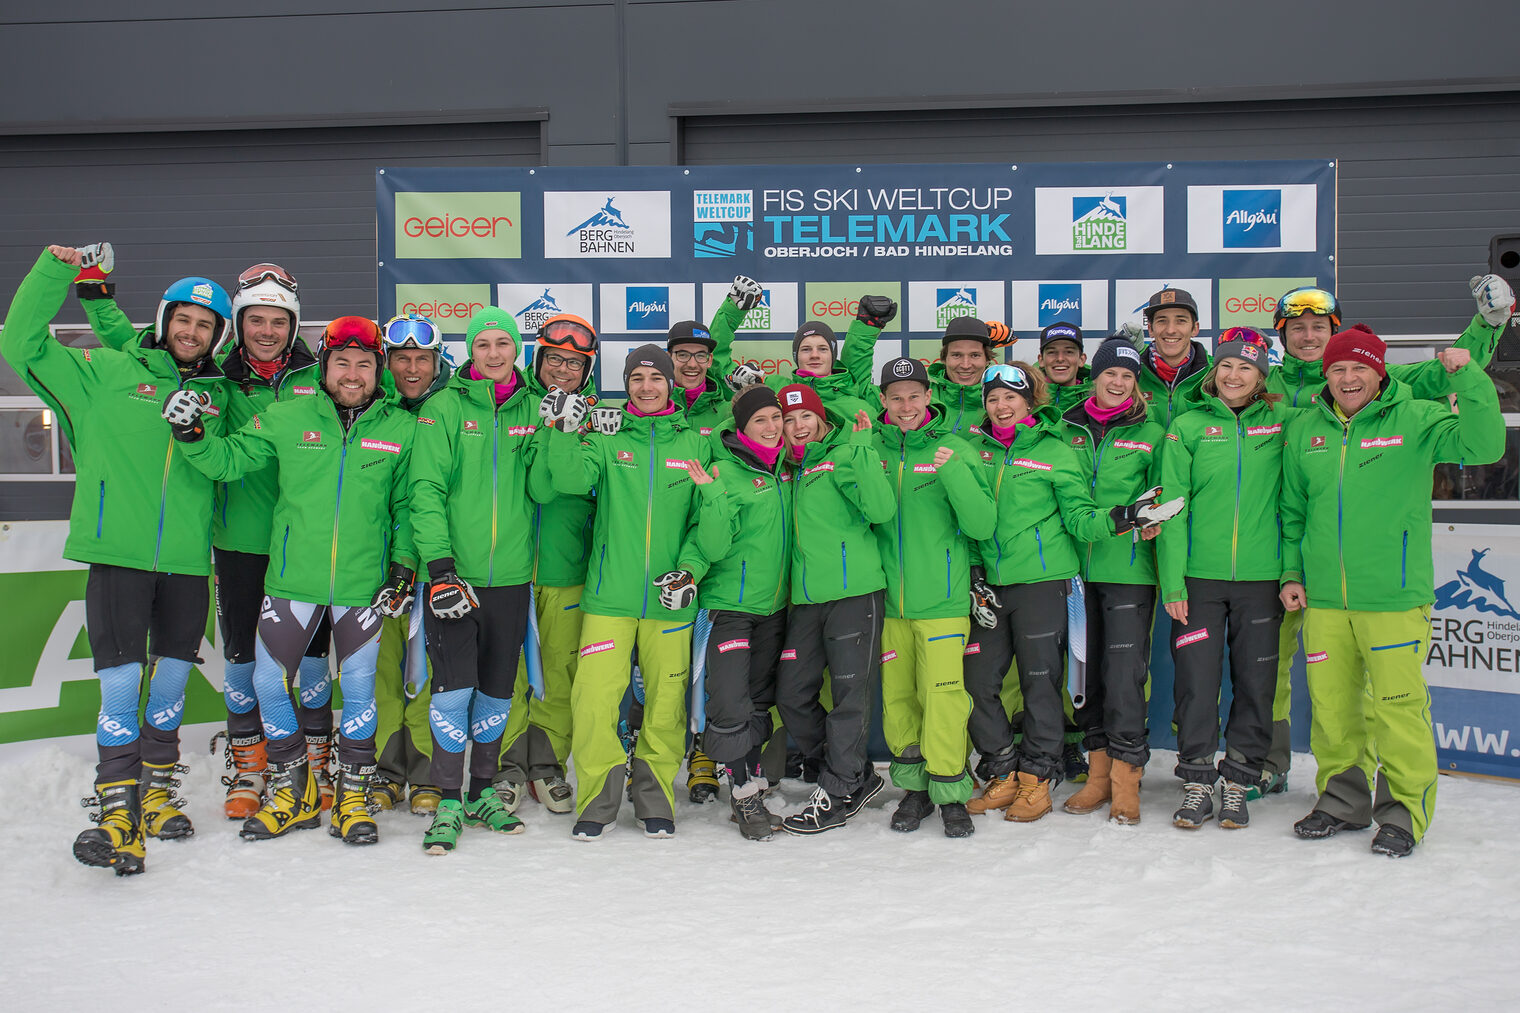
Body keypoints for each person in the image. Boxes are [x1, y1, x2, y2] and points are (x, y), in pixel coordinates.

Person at [80, 262, 340, 817]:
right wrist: (99, 299)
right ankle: (249, 763)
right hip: (240, 539)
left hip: (309, 540)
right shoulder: (212, 376)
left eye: (278, 322)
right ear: (238, 325)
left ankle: (315, 760)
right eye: (255, 321)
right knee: (243, 656)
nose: (266, 332)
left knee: (313, 657)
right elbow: (138, 347)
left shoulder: (318, 376)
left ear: (294, 327)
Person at [3, 245, 232, 875]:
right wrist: (57, 269)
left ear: (216, 337)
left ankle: (158, 792)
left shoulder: (218, 394)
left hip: (187, 561)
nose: (192, 332)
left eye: (206, 325)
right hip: (118, 558)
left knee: (171, 684)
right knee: (122, 686)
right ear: (163, 322)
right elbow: (21, 343)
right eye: (183, 319)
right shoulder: (103, 374)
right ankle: (117, 810)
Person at [163, 315, 416, 847]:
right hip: (291, 581)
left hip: (361, 587)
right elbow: (226, 460)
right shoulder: (286, 416)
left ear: (378, 372)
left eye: (365, 364)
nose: (353, 374)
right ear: (324, 367)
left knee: (362, 689)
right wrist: (190, 432)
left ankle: (351, 796)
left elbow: (407, 506)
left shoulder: (400, 427)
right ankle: (293, 788)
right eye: (342, 363)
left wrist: (404, 567)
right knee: (264, 682)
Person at [1256, 278, 1513, 797]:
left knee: (1377, 693)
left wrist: (1487, 326)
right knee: (1273, 672)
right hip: (1282, 553)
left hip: (1369, 575)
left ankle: (1390, 794)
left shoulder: (1379, 377)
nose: (1308, 336)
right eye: (1298, 328)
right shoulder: (1264, 382)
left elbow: (1451, 368)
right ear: (1283, 337)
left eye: (1318, 327)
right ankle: (1270, 764)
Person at [963, 363, 1168, 822]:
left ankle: (1036, 781)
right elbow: (965, 519)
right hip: (989, 587)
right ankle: (1002, 771)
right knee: (978, 682)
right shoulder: (971, 450)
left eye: (1011, 398)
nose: (1001, 406)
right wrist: (975, 571)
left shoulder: (1056, 451)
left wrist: (1123, 517)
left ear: (1029, 403)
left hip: (1043, 582)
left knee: (1040, 686)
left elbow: (1079, 518)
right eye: (993, 398)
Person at [541, 345, 721, 840]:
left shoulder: (694, 443)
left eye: (655, 378)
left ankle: (655, 798)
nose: (646, 386)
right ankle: (598, 799)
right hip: (609, 597)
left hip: (671, 600)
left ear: (669, 384)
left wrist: (688, 571)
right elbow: (569, 478)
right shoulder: (608, 435)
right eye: (637, 378)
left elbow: (705, 523)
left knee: (666, 701)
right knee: (595, 699)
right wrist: (563, 430)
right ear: (627, 385)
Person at [408, 307, 543, 853]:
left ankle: (482, 790)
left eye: (502, 344)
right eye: (483, 343)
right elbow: (425, 490)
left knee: (494, 691)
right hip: (453, 578)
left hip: (511, 578)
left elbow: (548, 486)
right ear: (471, 352)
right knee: (451, 690)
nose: (492, 353)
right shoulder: (443, 407)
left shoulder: (535, 408)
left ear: (516, 350)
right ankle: (446, 799)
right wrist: (439, 567)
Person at [1158, 327, 1286, 830]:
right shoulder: (1187, 426)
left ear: (1261, 378)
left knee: (1256, 684)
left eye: (1246, 368)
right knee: (1196, 682)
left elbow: (1293, 501)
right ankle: (1195, 780)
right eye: (1227, 366)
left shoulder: (1282, 423)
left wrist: (1290, 571)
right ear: (1214, 372)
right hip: (1198, 582)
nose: (1234, 376)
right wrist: (1173, 583)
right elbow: (1171, 509)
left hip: (1262, 581)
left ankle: (1238, 782)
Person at [871, 357, 995, 837]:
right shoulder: (871, 451)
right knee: (899, 699)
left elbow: (982, 525)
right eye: (896, 396)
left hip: (942, 603)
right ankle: (915, 789)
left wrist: (954, 473)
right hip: (888, 604)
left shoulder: (954, 448)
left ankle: (950, 791)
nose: (906, 405)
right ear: (883, 400)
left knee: (944, 699)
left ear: (929, 396)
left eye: (914, 395)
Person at [772, 384, 896, 835]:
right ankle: (853, 775)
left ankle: (839, 790)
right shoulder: (787, 469)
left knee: (849, 698)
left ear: (822, 420)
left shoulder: (843, 456)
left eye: (805, 416)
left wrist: (861, 449)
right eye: (787, 420)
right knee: (791, 693)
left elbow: (881, 509)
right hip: (806, 601)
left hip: (853, 594)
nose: (797, 426)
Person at [494, 313, 600, 817]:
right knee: (509, 673)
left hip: (566, 569)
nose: (562, 370)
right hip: (510, 566)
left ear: (587, 371)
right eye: (554, 359)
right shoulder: (512, 408)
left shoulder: (599, 422)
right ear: (538, 363)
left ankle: (549, 764)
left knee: (559, 673)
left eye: (574, 364)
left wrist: (568, 429)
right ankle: (509, 766)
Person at [1060, 337, 1169, 824]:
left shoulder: (1152, 432)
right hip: (1074, 572)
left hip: (1128, 572)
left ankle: (1127, 780)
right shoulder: (1065, 430)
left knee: (1124, 677)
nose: (1118, 382)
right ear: (1095, 376)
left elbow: (1164, 501)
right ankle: (1097, 778)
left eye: (1127, 376)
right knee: (1084, 675)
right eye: (1110, 374)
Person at [680, 384, 793, 839]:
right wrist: (710, 497)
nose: (771, 428)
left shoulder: (789, 470)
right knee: (729, 704)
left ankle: (752, 783)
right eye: (759, 421)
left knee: (761, 703)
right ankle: (744, 794)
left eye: (775, 418)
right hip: (729, 607)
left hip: (776, 607)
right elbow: (709, 545)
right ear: (742, 428)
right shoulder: (722, 472)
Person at [369, 312, 452, 816]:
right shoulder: (373, 412)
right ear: (388, 362)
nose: (412, 368)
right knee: (382, 675)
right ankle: (384, 772)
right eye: (402, 358)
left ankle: (424, 773)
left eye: (423, 358)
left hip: (431, 568)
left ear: (437, 363)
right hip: (376, 569)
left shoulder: (447, 411)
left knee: (425, 673)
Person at [762, 295, 897, 418]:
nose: (814, 355)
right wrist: (739, 312)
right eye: (806, 349)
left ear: (832, 356)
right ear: (796, 357)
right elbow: (741, 389)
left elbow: (906, 409)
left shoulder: (857, 392)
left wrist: (867, 327)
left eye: (822, 349)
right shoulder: (777, 390)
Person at [927, 316, 1014, 434]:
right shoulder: (923, 397)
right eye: (957, 355)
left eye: (975, 355)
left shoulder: (1004, 404)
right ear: (944, 358)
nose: (965, 365)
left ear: (987, 360)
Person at [1136, 288, 1210, 427]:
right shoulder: (1131, 373)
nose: (1170, 330)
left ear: (1194, 328)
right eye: (1162, 321)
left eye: (1180, 321)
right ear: (1151, 329)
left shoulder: (1214, 374)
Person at [1037, 321, 1090, 413]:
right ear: (1041, 360)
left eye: (1069, 352)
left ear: (1081, 359)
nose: (1060, 358)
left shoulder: (1096, 402)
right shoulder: (1026, 399)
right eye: (1052, 352)